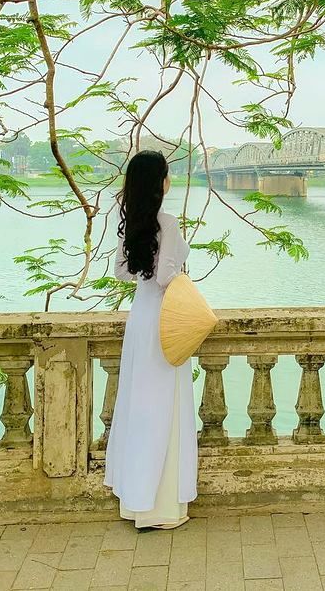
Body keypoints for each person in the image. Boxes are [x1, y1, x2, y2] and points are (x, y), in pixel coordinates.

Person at [104, 150, 196, 529]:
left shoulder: (130, 221)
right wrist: (180, 276)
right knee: (165, 407)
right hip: (165, 319)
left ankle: (137, 503)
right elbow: (165, 278)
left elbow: (121, 272)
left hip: (140, 318)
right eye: (166, 174)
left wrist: (147, 269)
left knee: (140, 406)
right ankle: (162, 509)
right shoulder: (168, 223)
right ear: (159, 182)